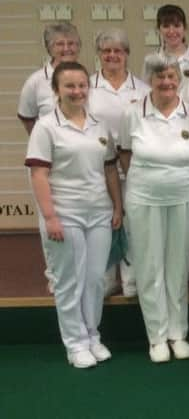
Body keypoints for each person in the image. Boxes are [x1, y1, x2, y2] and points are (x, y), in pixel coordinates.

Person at [25, 61, 122, 368]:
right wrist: (50, 216)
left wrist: (117, 206)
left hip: (99, 213)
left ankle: (92, 336)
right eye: (69, 86)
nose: (77, 91)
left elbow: (109, 169)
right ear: (56, 90)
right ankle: (75, 343)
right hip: (64, 212)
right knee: (69, 281)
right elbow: (39, 174)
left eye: (82, 85)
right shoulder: (46, 126)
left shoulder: (98, 125)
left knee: (95, 280)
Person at [119, 55, 189, 363]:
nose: (166, 82)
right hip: (144, 198)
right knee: (150, 267)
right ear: (149, 80)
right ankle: (157, 337)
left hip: (183, 196)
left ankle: (178, 333)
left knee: (177, 267)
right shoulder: (133, 113)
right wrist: (148, 182)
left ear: (178, 79)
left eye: (171, 76)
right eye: (159, 77)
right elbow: (125, 153)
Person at [18, 22, 81, 294]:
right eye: (59, 44)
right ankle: (55, 275)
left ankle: (81, 271)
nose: (66, 49)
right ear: (49, 48)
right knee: (50, 220)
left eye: (71, 44)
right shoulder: (36, 81)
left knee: (80, 221)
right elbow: (27, 117)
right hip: (47, 165)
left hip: (79, 163)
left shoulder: (84, 76)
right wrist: (47, 145)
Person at [88, 28, 150, 298]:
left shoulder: (143, 89)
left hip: (134, 167)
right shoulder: (87, 87)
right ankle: (107, 278)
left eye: (118, 50)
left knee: (133, 223)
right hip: (99, 168)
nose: (112, 55)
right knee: (106, 223)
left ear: (127, 54)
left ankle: (132, 280)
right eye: (106, 51)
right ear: (99, 55)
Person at [143, 4, 189, 92]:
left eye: (176, 25)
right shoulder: (151, 60)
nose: (171, 31)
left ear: (185, 27)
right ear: (158, 29)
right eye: (166, 26)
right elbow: (147, 91)